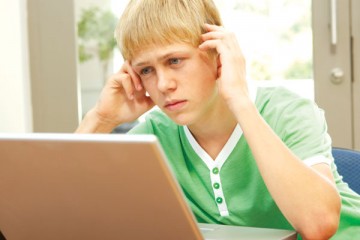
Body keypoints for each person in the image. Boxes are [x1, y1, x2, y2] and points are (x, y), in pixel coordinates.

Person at [76, 0, 360, 239]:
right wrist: (100, 119)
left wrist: (240, 101)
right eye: (147, 70)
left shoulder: (288, 111)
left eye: (174, 61)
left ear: (216, 53)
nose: (163, 84)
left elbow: (318, 224)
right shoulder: (152, 137)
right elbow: (52, 212)